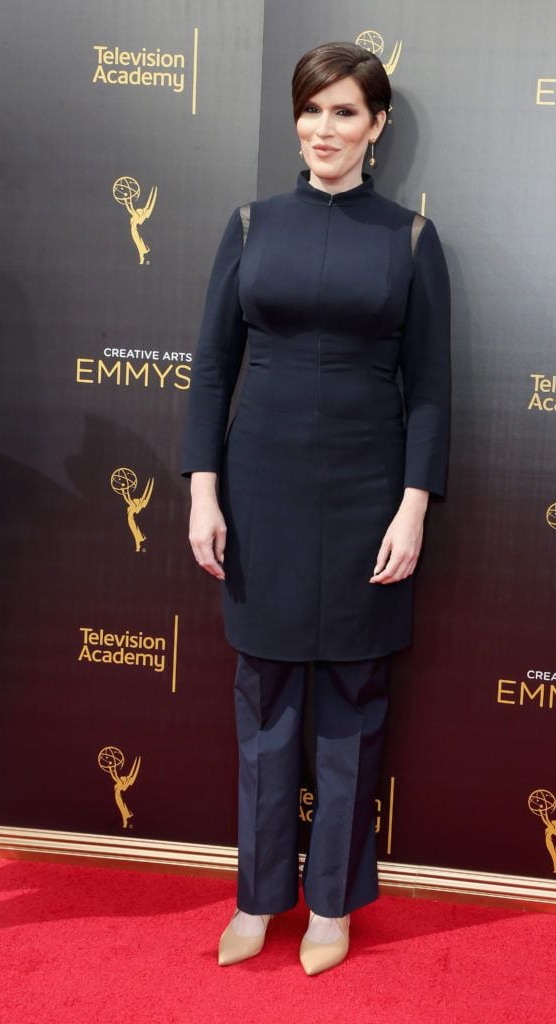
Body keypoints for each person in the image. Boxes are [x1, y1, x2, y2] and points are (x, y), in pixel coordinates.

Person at [181, 40, 451, 975]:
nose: (323, 129)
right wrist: (201, 493)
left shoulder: (410, 239)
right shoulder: (252, 225)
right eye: (311, 110)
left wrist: (413, 508)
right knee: (263, 711)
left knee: (351, 708)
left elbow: (431, 390)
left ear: (376, 127)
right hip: (259, 496)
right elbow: (212, 369)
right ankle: (258, 900)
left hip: (367, 497)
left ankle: (332, 906)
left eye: (344, 112)